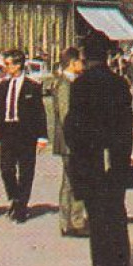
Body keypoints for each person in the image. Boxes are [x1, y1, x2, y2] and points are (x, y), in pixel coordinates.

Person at [63, 31, 133, 266]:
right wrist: (119, 163)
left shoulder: (81, 86)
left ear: (84, 56)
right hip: (114, 170)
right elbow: (126, 129)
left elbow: (73, 128)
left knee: (100, 236)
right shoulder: (120, 84)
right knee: (117, 229)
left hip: (92, 169)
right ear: (107, 55)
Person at [0, 48, 47, 222]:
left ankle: (21, 207)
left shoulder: (32, 86)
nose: (5, 68)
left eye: (7, 64)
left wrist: (42, 137)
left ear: (18, 64)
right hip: (8, 131)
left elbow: (40, 112)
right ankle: (15, 196)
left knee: (26, 170)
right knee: (6, 168)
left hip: (26, 133)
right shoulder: (3, 86)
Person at [46, 47, 89, 237]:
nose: (83, 64)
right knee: (76, 181)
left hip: (71, 140)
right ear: (72, 63)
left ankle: (68, 222)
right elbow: (66, 117)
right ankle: (75, 222)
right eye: (80, 61)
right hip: (71, 141)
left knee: (70, 181)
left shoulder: (70, 82)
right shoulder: (64, 85)